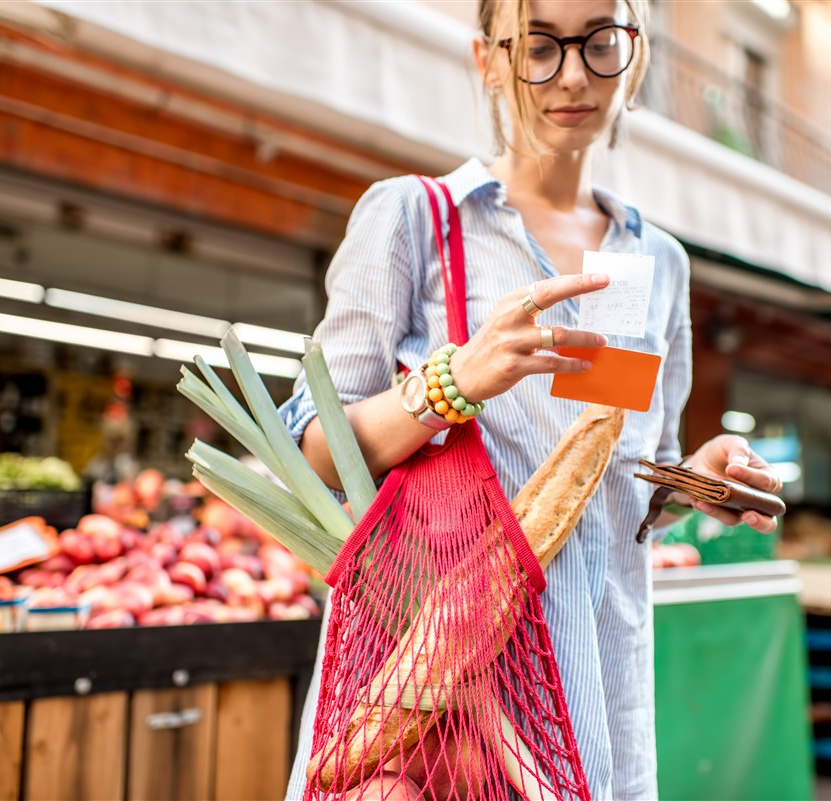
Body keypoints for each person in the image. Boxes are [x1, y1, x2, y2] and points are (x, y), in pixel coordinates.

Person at [280, 1, 781, 797]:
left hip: (603, 688)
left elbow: (627, 485)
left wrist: (694, 480)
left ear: (637, 55)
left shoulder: (657, 259)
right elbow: (313, 450)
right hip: (444, 698)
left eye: (599, 42)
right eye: (540, 45)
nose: (573, 73)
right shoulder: (415, 219)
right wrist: (452, 384)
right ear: (486, 58)